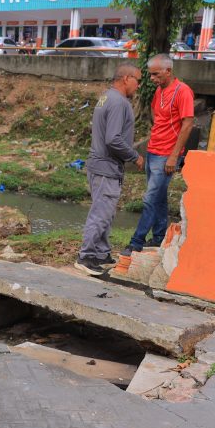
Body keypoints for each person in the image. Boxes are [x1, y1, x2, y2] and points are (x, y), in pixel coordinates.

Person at [75, 63, 145, 276]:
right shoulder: (118, 102)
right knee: (101, 213)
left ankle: (101, 253)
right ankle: (86, 256)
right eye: (138, 81)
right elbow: (113, 139)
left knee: (105, 212)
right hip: (106, 167)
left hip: (101, 165)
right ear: (126, 78)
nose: (139, 86)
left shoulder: (106, 97)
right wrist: (135, 156)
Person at [123, 54, 195, 256]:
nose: (152, 78)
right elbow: (157, 115)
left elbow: (188, 124)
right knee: (159, 198)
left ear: (168, 71)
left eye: (156, 74)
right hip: (153, 151)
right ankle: (158, 238)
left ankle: (135, 242)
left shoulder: (183, 92)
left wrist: (174, 156)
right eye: (150, 75)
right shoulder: (159, 91)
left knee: (150, 199)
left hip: (167, 155)